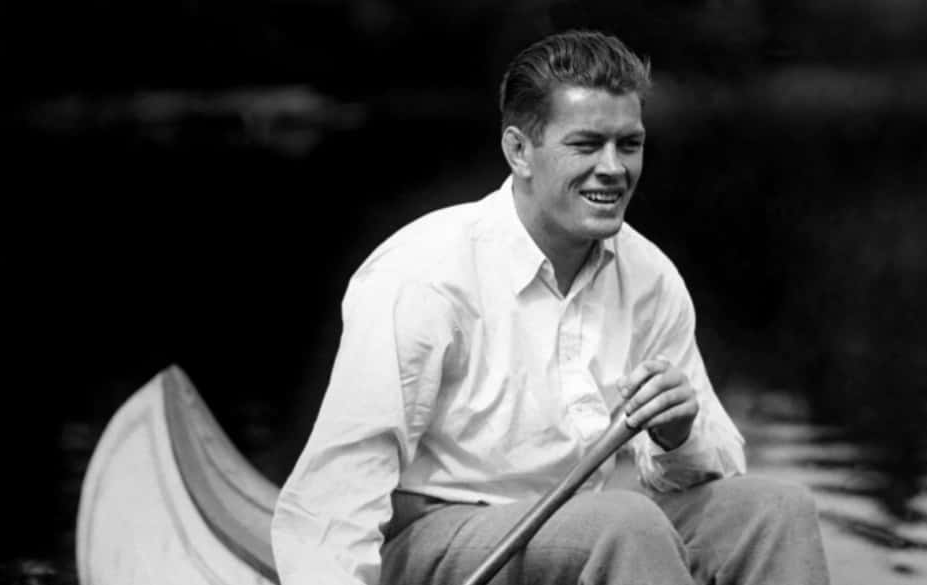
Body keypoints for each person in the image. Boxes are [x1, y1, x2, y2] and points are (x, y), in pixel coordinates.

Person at [271, 29, 830, 585]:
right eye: (586, 145)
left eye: (629, 144)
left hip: (583, 528)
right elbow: (335, 492)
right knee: (622, 523)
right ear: (519, 151)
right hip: (434, 545)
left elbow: (706, 475)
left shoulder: (650, 276)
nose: (614, 168)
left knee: (775, 510)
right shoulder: (422, 273)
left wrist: (679, 434)